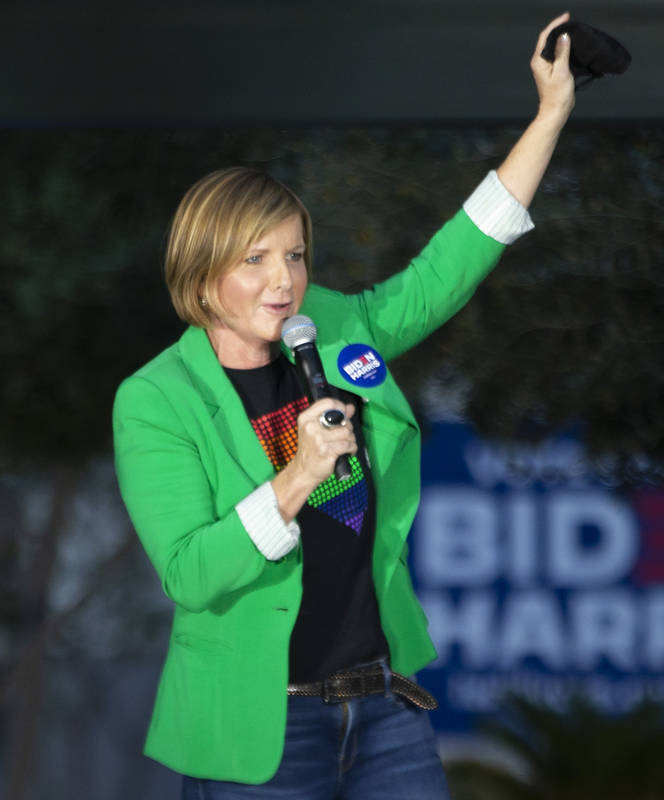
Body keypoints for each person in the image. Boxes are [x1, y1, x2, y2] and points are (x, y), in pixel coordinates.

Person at [112, 14, 576, 799]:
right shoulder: (157, 399)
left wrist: (550, 116)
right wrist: (298, 475)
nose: (283, 280)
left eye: (293, 254)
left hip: (381, 709)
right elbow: (191, 574)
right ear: (201, 273)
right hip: (261, 725)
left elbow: (446, 271)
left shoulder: (327, 329)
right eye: (255, 260)